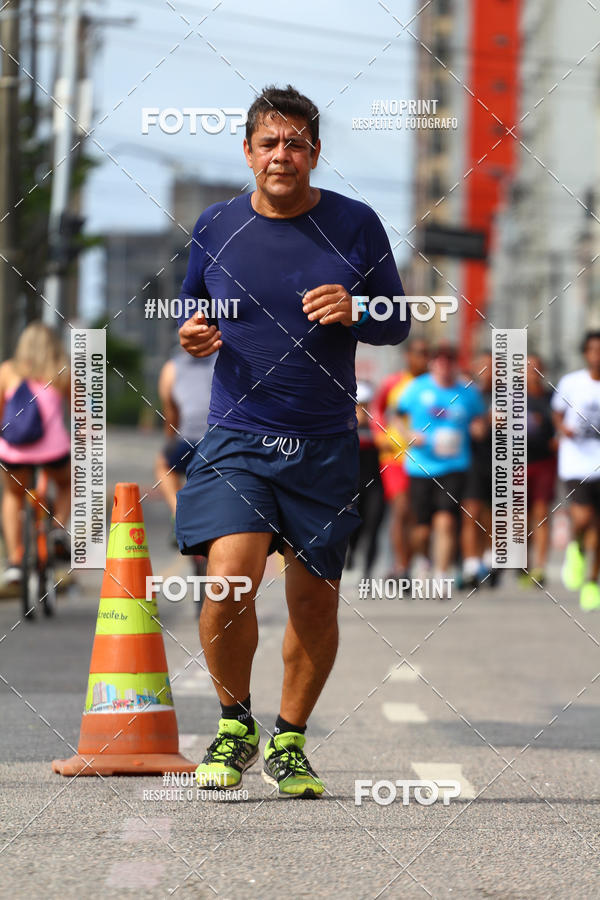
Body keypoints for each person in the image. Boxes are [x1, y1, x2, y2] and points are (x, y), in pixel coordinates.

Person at [175, 84, 410, 798]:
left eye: (297, 143)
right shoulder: (215, 225)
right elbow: (193, 303)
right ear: (247, 151)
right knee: (229, 578)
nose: (283, 155)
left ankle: (290, 740)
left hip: (325, 442)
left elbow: (397, 318)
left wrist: (357, 305)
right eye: (270, 143)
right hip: (239, 433)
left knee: (314, 601)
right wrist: (190, 333)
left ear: (315, 153)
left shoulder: (356, 224)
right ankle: (234, 723)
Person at [395, 343, 485, 591]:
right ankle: (423, 560)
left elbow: (479, 419)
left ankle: (441, 575)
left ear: (455, 364)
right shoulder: (417, 388)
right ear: (433, 363)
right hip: (421, 466)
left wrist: (479, 428)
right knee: (422, 530)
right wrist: (409, 435)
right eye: (440, 360)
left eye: (450, 361)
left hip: (455, 466)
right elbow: (396, 416)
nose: (444, 365)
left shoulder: (468, 392)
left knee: (446, 521)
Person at [0, 322, 70, 584]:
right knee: (67, 483)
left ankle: (15, 562)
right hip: (53, 453)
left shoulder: (7, 371)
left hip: (14, 453)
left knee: (12, 495)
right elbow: (82, 416)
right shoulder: (63, 372)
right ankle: (58, 528)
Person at [370, 338, 429, 580]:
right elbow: (376, 409)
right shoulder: (393, 383)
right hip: (394, 457)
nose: (423, 358)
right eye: (418, 353)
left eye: (426, 354)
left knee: (418, 514)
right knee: (401, 509)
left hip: (425, 457)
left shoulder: (432, 384)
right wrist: (379, 434)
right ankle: (402, 566)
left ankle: (415, 562)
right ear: (409, 356)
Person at [552, 331, 600, 610]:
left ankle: (592, 582)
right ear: (586, 353)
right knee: (583, 519)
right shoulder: (571, 383)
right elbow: (557, 412)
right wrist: (563, 429)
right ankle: (577, 547)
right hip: (577, 464)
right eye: (593, 349)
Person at [155, 346, 215, 519]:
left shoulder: (171, 368)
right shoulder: (224, 360)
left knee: (163, 466)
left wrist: (169, 441)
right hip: (220, 437)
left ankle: (180, 515)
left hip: (189, 438)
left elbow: (171, 413)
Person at [522, 354, 556, 587]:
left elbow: (562, 422)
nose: (533, 372)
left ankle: (540, 567)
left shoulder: (551, 398)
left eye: (537, 368)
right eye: (528, 368)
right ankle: (523, 563)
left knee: (541, 512)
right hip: (517, 462)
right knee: (520, 516)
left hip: (544, 461)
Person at [461, 350, 494, 589]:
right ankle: (471, 564)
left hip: (496, 459)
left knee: (490, 513)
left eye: (491, 366)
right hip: (470, 459)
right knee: (471, 511)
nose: (486, 371)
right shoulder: (464, 392)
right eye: (482, 365)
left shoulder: (506, 395)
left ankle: (488, 558)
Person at [345, 381, 385, 578]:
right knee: (352, 527)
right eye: (359, 404)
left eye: (366, 404)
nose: (362, 409)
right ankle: (349, 556)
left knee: (373, 526)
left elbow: (390, 443)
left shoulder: (378, 423)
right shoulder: (342, 422)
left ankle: (368, 573)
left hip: (375, 484)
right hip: (350, 485)